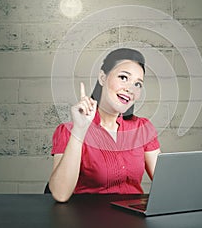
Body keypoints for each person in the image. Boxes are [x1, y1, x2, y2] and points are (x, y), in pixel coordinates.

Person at [49, 48, 161, 202]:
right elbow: (60, 195)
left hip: (133, 219)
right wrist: (80, 130)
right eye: (123, 77)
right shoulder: (68, 131)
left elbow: (165, 183)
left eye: (138, 84)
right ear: (102, 77)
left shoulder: (143, 128)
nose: (130, 89)